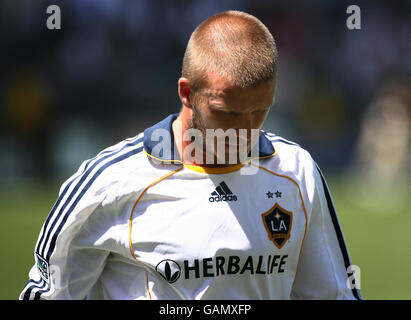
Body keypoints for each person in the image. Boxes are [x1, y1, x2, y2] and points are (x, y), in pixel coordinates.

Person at [20, 10, 361, 300]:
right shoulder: (108, 182)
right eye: (226, 112)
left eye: (260, 111)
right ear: (187, 92)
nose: (245, 132)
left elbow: (333, 294)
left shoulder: (295, 170)